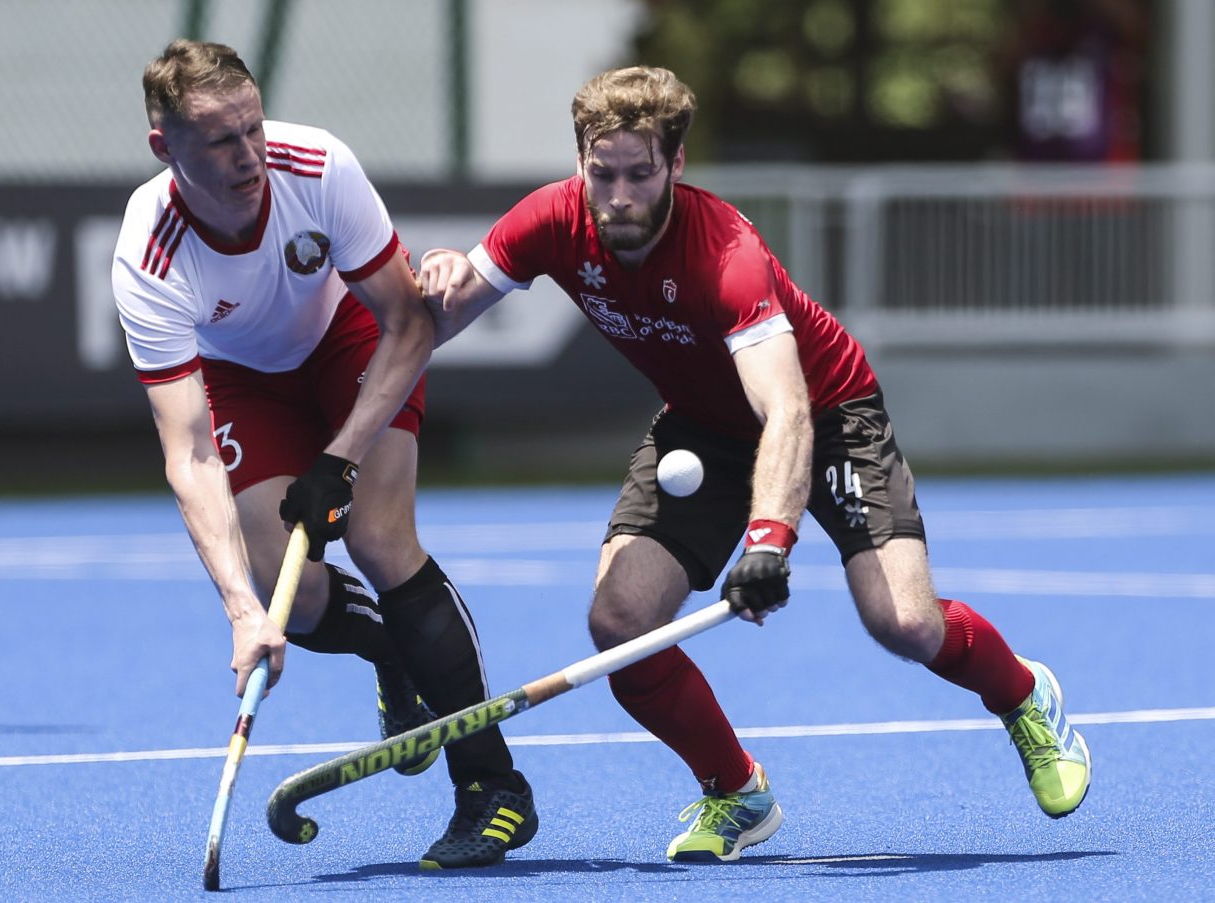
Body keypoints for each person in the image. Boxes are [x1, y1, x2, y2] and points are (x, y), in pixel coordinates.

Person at [418, 65, 1090, 863]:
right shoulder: (551, 221)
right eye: (603, 174)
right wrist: (436, 272)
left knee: (905, 623)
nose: (620, 196)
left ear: (677, 164)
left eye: (641, 174)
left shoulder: (726, 253)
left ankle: (1023, 693)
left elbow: (788, 410)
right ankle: (736, 793)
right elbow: (434, 316)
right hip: (703, 426)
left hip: (829, 412)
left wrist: (769, 539)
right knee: (620, 625)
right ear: (580, 164)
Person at [109, 39, 536, 870]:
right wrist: (240, 611)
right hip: (241, 379)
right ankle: (392, 653)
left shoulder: (316, 166)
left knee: (378, 537)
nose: (248, 157)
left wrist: (339, 457)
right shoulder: (147, 251)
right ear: (166, 148)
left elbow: (410, 320)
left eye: (253, 128)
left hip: (355, 340)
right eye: (220, 142)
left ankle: (493, 788)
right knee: (286, 593)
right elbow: (189, 450)